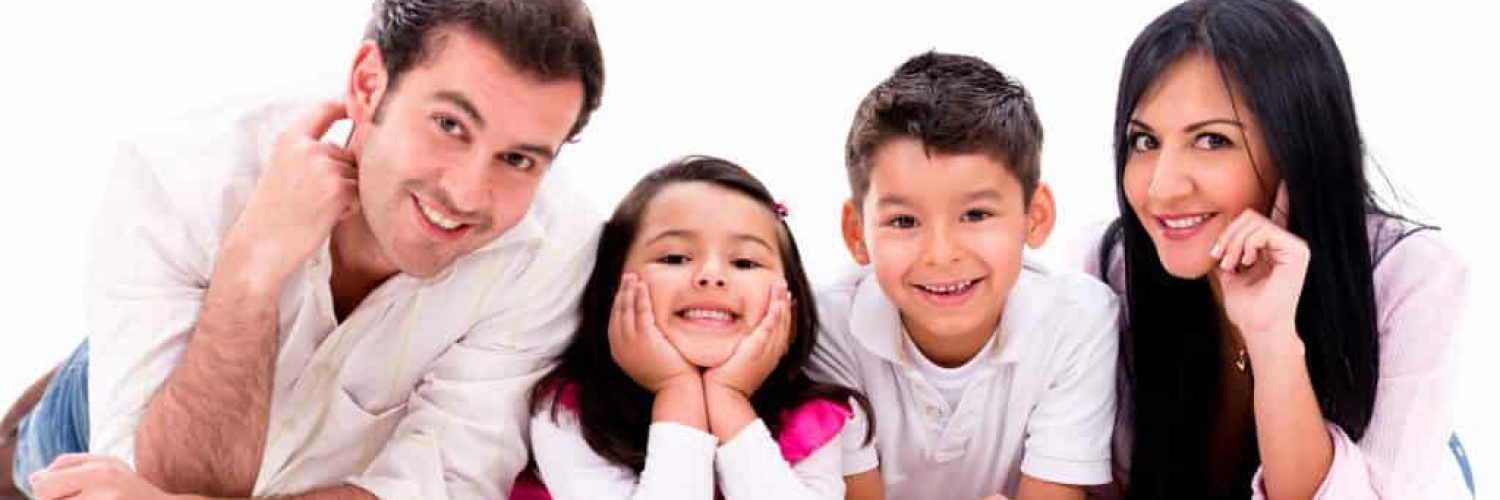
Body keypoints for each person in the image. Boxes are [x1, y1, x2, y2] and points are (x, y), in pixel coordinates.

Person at [6, 0, 605, 498]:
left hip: (309, 457)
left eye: (519, 159)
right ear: (369, 85)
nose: (468, 193)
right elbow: (156, 479)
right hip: (105, 425)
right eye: (450, 124)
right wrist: (250, 268)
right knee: (28, 462)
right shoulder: (181, 175)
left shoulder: (554, 251)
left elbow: (445, 483)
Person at [1088, 0, 1473, 498]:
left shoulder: (1412, 277)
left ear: (1298, 145)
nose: (1161, 188)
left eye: (1210, 140)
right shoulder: (1110, 269)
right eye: (1144, 142)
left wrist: (1272, 338)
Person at [809, 51, 1120, 500]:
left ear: (1036, 215)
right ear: (856, 233)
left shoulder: (1079, 319)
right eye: (903, 222)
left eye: (975, 214)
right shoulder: (831, 330)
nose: (941, 255)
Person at [512, 156, 873, 500]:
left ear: (791, 305)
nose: (711, 276)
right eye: (674, 258)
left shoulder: (815, 417)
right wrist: (678, 391)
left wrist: (728, 399)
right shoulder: (567, 411)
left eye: (745, 262)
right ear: (611, 286)